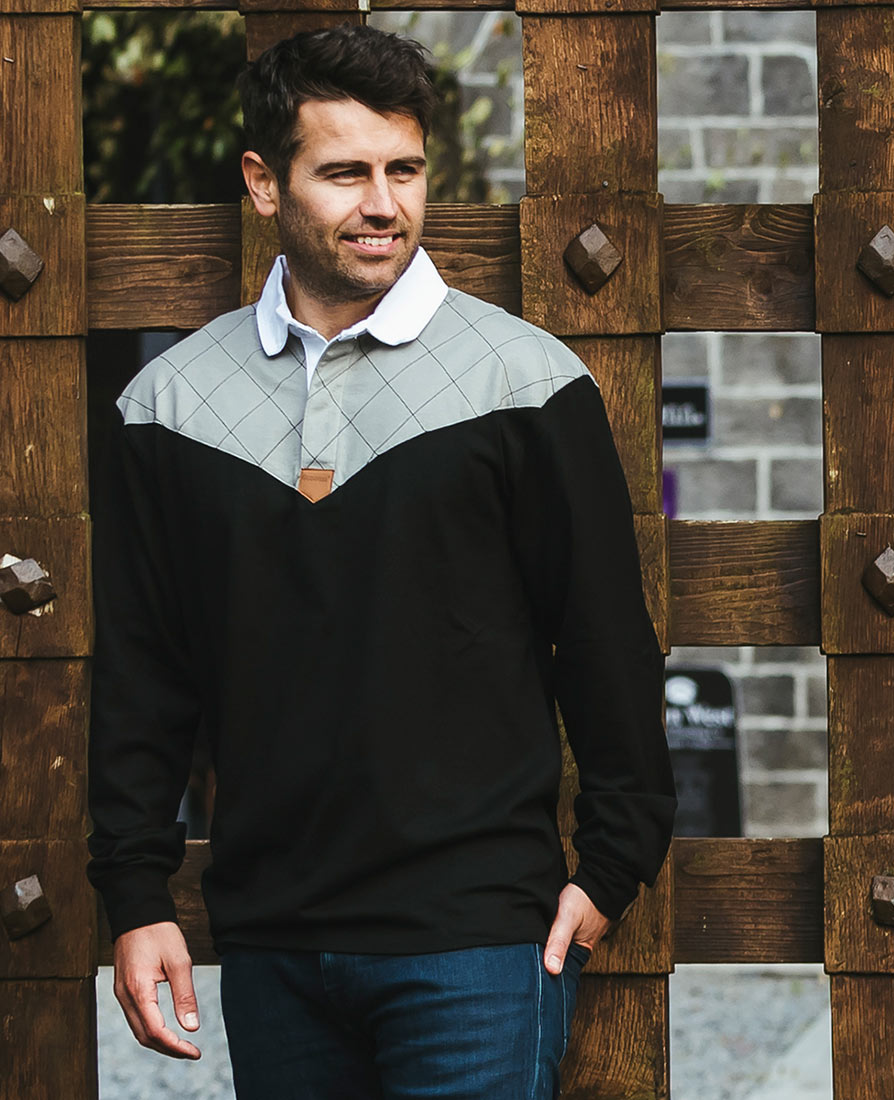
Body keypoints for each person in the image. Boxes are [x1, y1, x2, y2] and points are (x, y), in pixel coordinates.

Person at [86, 23, 676, 1100]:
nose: (383, 203)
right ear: (264, 183)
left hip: (473, 939)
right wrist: (135, 890)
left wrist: (611, 862)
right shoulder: (167, 405)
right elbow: (143, 671)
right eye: (344, 172)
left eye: (403, 169)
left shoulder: (524, 383)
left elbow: (603, 639)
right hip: (271, 941)